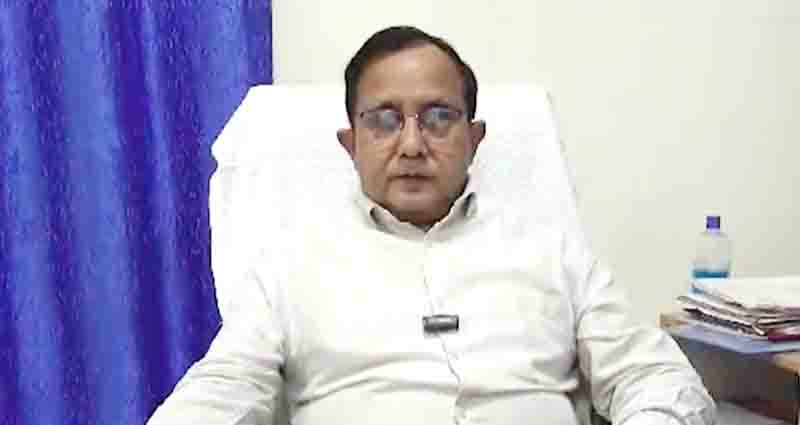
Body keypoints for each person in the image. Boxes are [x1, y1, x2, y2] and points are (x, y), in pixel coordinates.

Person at [148, 26, 715, 425]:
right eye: (384, 120)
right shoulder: (290, 266)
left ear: (475, 139)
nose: (412, 144)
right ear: (351, 143)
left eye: (439, 117)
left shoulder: (552, 252)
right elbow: (226, 387)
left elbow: (652, 376)